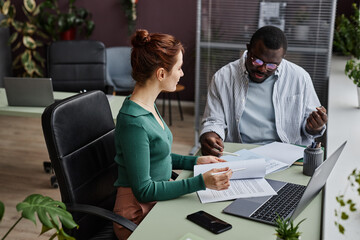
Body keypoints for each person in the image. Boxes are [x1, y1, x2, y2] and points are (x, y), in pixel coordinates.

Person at [113, 29, 233, 239]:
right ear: (161, 74)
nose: (182, 73)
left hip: (158, 200)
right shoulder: (134, 121)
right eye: (179, 68)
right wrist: (201, 182)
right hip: (137, 215)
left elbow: (158, 156)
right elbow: (144, 191)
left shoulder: (147, 105)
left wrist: (196, 162)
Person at [200, 26, 328, 156]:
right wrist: (211, 135)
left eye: (272, 65)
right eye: (257, 61)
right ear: (248, 49)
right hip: (239, 153)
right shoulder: (223, 77)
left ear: (282, 58)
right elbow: (214, 121)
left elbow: (311, 128)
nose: (263, 69)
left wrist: (314, 126)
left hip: (286, 154)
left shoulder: (300, 78)